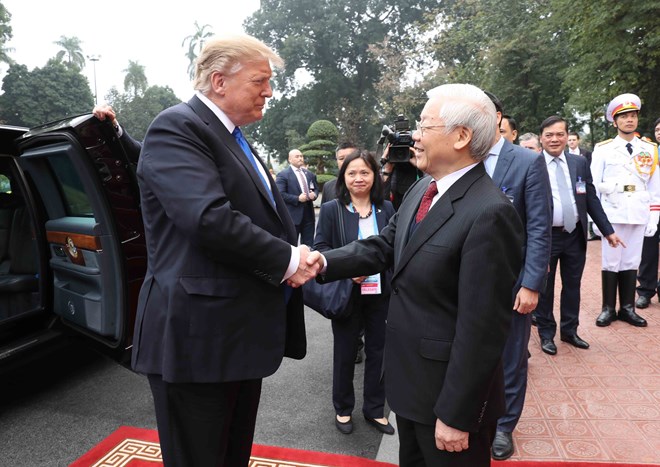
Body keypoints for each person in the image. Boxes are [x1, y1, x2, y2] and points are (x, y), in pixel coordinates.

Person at [307, 83, 524, 466]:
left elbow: (483, 328)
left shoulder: (490, 212)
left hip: (447, 403)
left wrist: (457, 414)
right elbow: (384, 246)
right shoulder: (425, 188)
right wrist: (321, 263)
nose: (414, 138)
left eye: (425, 127)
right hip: (410, 389)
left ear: (462, 136)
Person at [131, 34, 318, 467]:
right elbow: (208, 218)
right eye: (260, 81)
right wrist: (289, 260)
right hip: (197, 340)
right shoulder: (177, 126)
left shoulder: (229, 136)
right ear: (219, 81)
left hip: (232, 336)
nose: (269, 91)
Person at [483, 92, 552, 461]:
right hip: (469, 282)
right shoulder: (463, 159)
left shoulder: (527, 162)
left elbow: (540, 229)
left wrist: (531, 283)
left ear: (496, 117)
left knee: (511, 358)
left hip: (513, 283)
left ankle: (504, 426)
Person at [313, 150, 396, 436]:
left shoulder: (387, 209)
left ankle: (374, 409)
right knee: (345, 352)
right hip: (346, 291)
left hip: (381, 292)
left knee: (379, 351)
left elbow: (395, 248)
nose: (358, 178)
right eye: (352, 173)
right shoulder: (332, 209)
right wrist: (348, 270)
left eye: (365, 172)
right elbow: (320, 249)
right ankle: (343, 408)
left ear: (375, 176)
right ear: (343, 177)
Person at [535, 116, 623, 356]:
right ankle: (545, 333)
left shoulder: (579, 163)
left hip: (574, 235)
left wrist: (608, 230)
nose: (555, 139)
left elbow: (590, 198)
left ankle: (570, 330)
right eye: (549, 135)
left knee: (572, 285)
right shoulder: (532, 164)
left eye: (560, 134)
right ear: (541, 137)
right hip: (545, 237)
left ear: (567, 136)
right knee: (545, 287)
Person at [592, 94, 660, 328]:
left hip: (638, 211)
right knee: (611, 261)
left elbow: (654, 186)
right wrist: (596, 220)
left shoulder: (650, 149)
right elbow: (593, 185)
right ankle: (608, 308)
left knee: (632, 260)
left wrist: (654, 216)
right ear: (615, 121)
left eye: (633, 116)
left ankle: (628, 308)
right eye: (624, 117)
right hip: (612, 211)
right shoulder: (603, 149)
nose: (629, 120)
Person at [636, 117, 660, 309]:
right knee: (648, 250)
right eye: (657, 129)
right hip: (652, 208)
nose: (659, 132)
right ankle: (645, 290)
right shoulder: (648, 153)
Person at [276, 149, 318, 245]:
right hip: (292, 217)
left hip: (309, 216)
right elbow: (280, 195)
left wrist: (314, 195)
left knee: (308, 245)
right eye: (297, 156)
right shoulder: (283, 175)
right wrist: (297, 198)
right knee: (291, 245)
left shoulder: (309, 174)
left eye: (301, 156)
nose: (300, 158)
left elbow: (315, 189)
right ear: (289, 159)